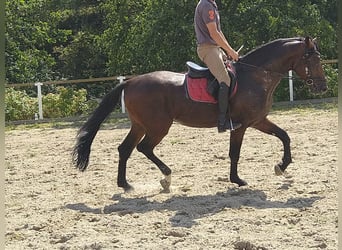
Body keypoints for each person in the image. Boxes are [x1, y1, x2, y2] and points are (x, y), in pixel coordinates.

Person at [194, 0, 241, 132]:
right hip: (208, 49)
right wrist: (230, 51)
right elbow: (214, 33)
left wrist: (229, 50)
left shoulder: (211, 4)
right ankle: (222, 122)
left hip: (215, 48)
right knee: (225, 79)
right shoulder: (207, 6)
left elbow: (219, 33)